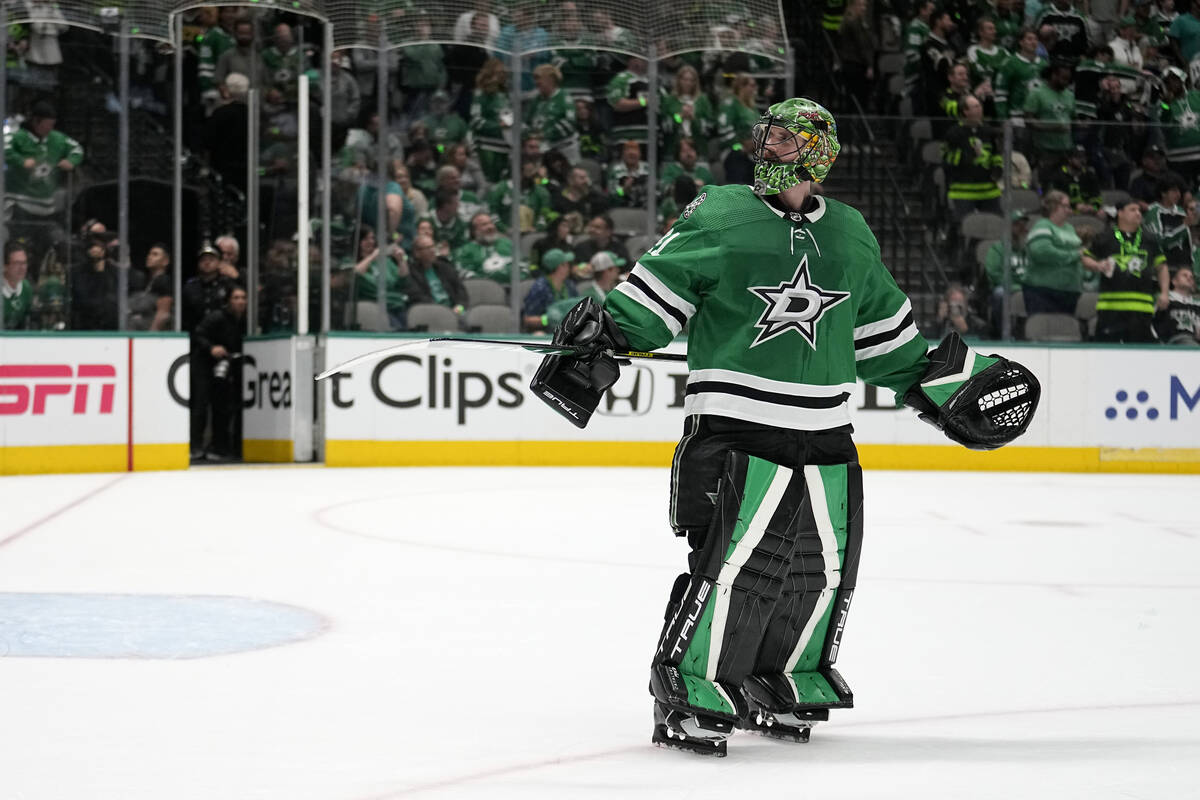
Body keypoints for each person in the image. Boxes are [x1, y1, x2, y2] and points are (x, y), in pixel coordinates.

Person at [528, 97, 1039, 757]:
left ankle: (781, 679)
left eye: (781, 139)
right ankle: (690, 690)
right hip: (736, 426)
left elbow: (886, 336)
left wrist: (948, 385)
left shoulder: (851, 231)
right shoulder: (720, 211)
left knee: (817, 569)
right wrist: (602, 338)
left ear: (817, 151)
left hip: (826, 431)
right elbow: (652, 297)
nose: (766, 147)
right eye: (764, 136)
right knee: (734, 565)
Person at [1082, 196, 1169, 342]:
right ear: (1120, 213)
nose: (1138, 213)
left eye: (1139, 210)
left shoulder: (1150, 239)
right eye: (1132, 210)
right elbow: (1085, 258)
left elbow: (1162, 267)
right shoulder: (1105, 237)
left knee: (1140, 356)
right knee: (1106, 353)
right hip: (1110, 307)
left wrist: (1165, 293)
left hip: (1142, 308)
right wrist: (1098, 265)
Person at [191, 285, 248, 461]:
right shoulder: (217, 317)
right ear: (228, 301)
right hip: (204, 364)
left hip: (225, 367)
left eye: (243, 298)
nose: (240, 301)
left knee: (222, 407)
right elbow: (198, 334)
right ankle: (195, 447)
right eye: (236, 298)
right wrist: (211, 347)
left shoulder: (247, 320)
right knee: (201, 405)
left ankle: (220, 446)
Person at [1023, 189, 1085, 316]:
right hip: (1043, 292)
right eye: (1066, 206)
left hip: (1069, 292)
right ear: (1054, 206)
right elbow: (1042, 252)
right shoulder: (1042, 226)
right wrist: (1073, 255)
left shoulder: (1070, 228)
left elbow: (1080, 253)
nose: (1070, 210)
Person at [70, 230, 120, 330]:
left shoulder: (114, 271)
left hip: (110, 326)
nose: (95, 249)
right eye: (92, 245)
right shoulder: (76, 271)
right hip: (84, 325)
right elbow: (82, 298)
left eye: (100, 246)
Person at [406, 234, 468, 312]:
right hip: (432, 313)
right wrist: (441, 311)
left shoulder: (445, 267)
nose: (432, 250)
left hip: (457, 311)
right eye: (428, 248)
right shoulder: (412, 273)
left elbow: (461, 292)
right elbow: (418, 298)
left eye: (433, 246)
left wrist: (460, 308)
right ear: (417, 253)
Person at [182, 242, 235, 331]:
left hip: (222, 334)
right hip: (196, 334)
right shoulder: (190, 287)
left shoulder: (227, 285)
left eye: (211, 259)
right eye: (203, 260)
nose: (207, 262)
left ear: (219, 263)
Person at [521, 248, 577, 332]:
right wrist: (547, 320)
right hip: (546, 333)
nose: (569, 267)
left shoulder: (569, 285)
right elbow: (527, 319)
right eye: (566, 264)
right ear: (559, 267)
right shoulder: (540, 288)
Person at [128, 242, 173, 331]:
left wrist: (151, 335)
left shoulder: (165, 282)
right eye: (149, 254)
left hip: (151, 336)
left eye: (155, 254)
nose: (149, 257)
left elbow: (163, 313)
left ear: (165, 261)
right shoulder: (144, 282)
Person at [1155, 264, 1200, 342]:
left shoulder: (1197, 304)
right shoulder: (1164, 298)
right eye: (1184, 275)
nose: (1189, 278)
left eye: (1191, 277)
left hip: (1194, 341)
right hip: (1171, 341)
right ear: (1174, 281)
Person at [2, 242, 33, 329]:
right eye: (17, 263)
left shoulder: (26, 288)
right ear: (5, 266)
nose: (22, 268)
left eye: (24, 263)